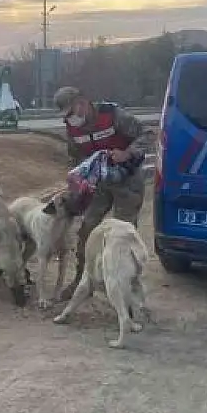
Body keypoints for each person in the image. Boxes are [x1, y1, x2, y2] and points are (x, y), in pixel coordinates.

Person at [53, 86, 148, 300]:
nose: (69, 119)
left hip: (127, 179)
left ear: (82, 103)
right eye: (65, 116)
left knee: (122, 237)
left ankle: (128, 291)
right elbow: (75, 156)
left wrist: (127, 153)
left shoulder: (112, 115)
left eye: (70, 113)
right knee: (87, 230)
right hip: (99, 182)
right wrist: (78, 182)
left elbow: (146, 134)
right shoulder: (72, 127)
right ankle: (82, 282)